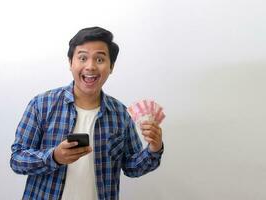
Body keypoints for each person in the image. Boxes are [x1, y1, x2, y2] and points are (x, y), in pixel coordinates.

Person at [10, 26, 164, 200]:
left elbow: (132, 167)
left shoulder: (120, 114)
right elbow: (17, 160)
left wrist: (154, 148)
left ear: (111, 66)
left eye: (99, 59)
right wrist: (54, 157)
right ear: (70, 62)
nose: (90, 66)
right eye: (82, 58)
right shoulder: (41, 104)